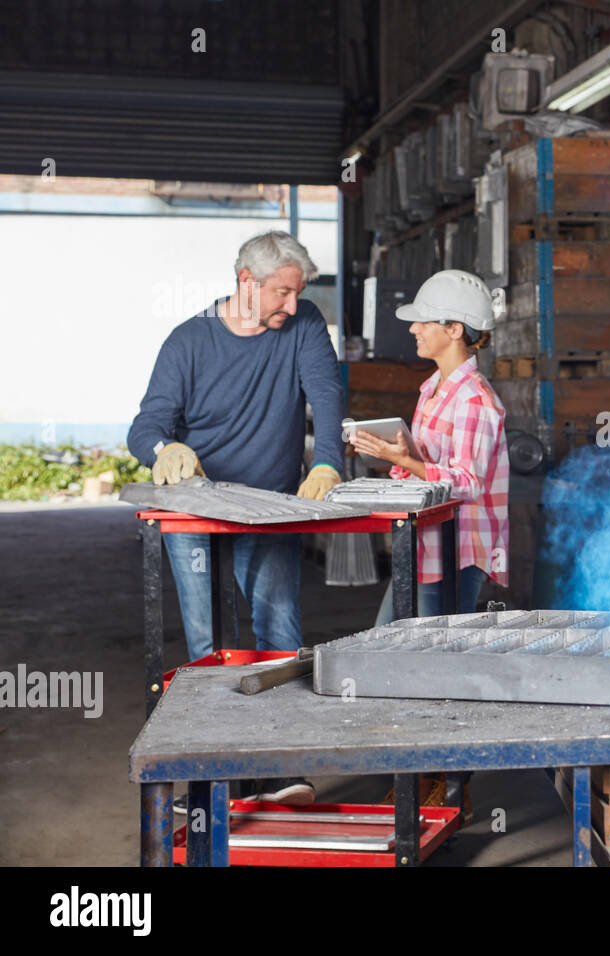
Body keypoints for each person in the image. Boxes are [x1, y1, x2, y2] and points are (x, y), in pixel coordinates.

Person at [128, 230, 344, 807]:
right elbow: (145, 426)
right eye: (282, 293)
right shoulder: (187, 342)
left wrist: (326, 463)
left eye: (298, 294)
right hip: (197, 513)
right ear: (246, 282)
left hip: (269, 510)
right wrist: (162, 451)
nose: (293, 305)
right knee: (208, 644)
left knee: (280, 637)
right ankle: (210, 775)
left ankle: (277, 770)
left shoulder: (302, 327)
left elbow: (325, 395)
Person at [350, 269, 509, 623]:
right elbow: (424, 465)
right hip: (426, 542)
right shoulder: (432, 389)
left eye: (423, 322)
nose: (413, 329)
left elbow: (467, 483)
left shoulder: (474, 399)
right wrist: (391, 454)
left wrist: (404, 458)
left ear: (454, 329)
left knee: (434, 652)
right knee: (389, 638)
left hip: (459, 546)